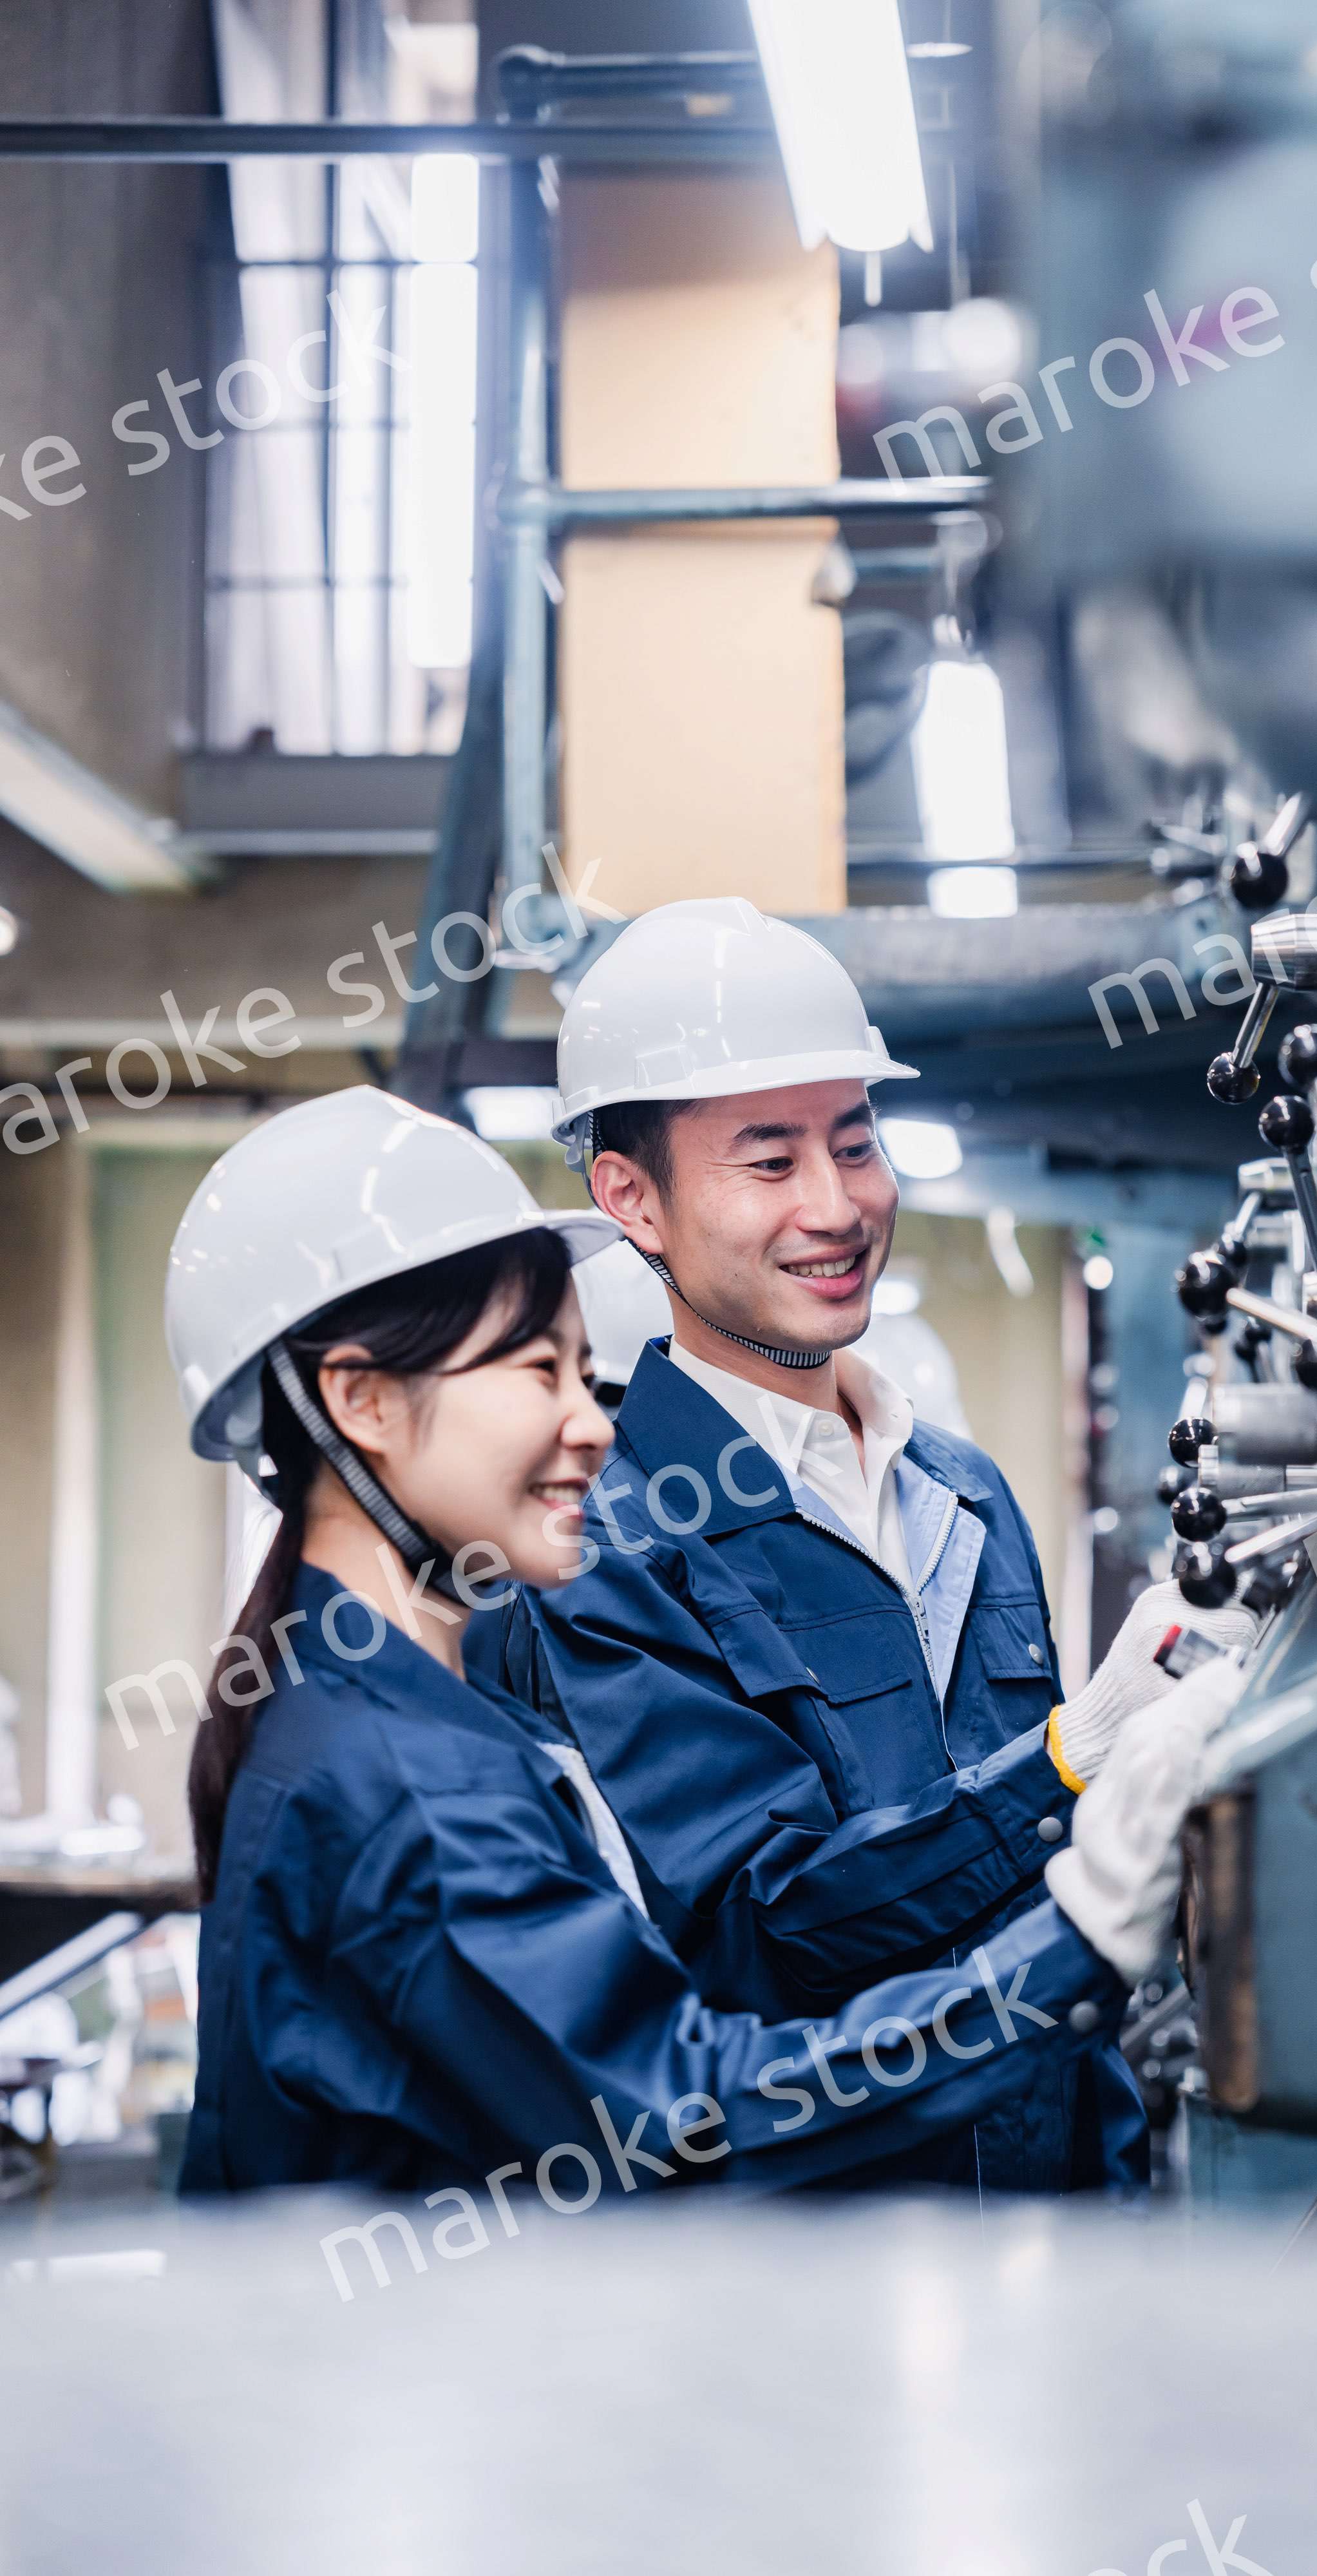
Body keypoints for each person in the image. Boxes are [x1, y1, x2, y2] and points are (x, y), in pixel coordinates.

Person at [167, 1086, 1247, 2196]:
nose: (591, 1423)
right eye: (536, 1372)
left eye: (580, 1371)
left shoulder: (366, 1715)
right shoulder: (410, 1781)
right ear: (362, 1402)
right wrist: (1080, 1937)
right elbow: (688, 2116)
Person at [470, 899, 1256, 2194]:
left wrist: (1113, 2199)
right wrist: (1071, 1757)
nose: (835, 1206)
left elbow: (1056, 1921)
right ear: (632, 1199)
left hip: (1039, 2233)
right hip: (810, 2258)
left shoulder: (964, 1492)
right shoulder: (602, 1546)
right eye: (769, 1162)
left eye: (854, 1142)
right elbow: (760, 1930)